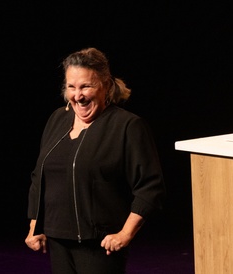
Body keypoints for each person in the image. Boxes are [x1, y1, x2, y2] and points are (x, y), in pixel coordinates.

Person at [25, 47, 166, 274]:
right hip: (57, 239)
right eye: (72, 87)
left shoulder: (127, 126)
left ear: (107, 86)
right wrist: (35, 225)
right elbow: (39, 175)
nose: (78, 95)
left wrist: (125, 234)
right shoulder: (57, 119)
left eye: (86, 86)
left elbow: (150, 188)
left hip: (99, 244)